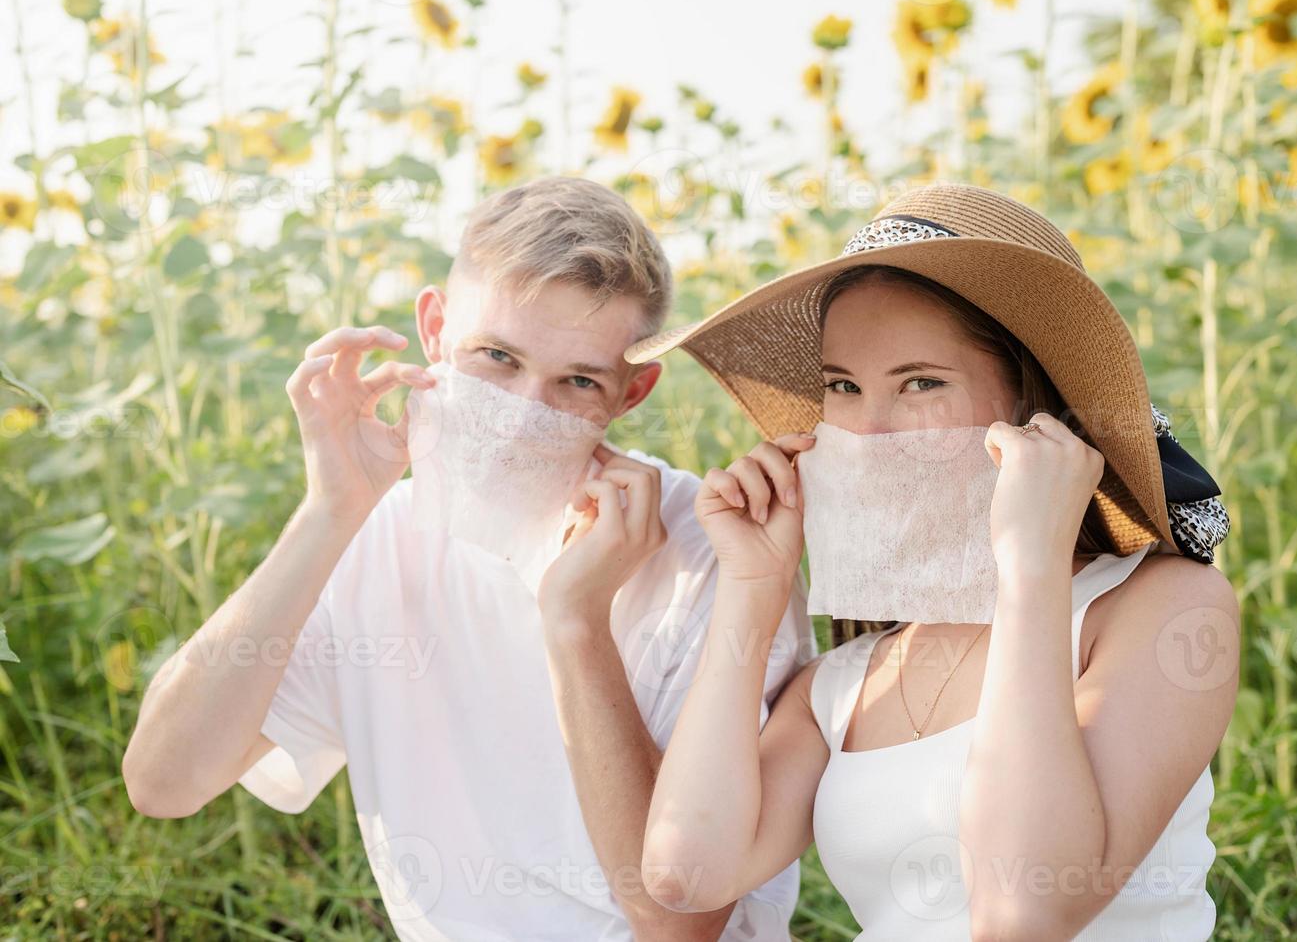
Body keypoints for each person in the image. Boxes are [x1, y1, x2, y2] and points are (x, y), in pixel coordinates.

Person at [121, 176, 811, 941]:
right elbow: (164, 781)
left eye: (577, 380)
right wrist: (329, 513)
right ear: (434, 329)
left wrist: (575, 622)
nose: (523, 414)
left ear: (633, 392)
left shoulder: (711, 551)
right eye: (496, 357)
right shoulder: (375, 535)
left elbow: (676, 923)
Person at [635, 183, 1239, 940]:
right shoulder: (845, 682)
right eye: (842, 388)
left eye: (920, 382)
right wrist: (754, 587)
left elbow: (1023, 912)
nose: (870, 427)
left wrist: (1029, 568)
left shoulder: (1163, 606)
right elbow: (685, 874)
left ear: (1032, 411)